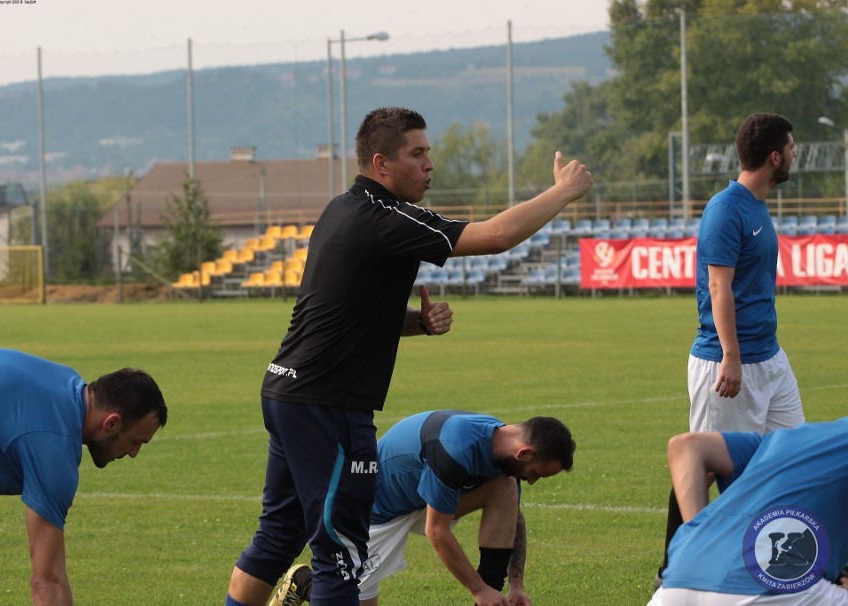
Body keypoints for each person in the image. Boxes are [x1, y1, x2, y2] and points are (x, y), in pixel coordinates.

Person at [225, 107, 593, 606]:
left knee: (276, 540)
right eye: (417, 153)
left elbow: (343, 310)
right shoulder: (386, 218)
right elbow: (497, 236)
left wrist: (416, 323)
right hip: (328, 404)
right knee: (341, 556)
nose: (429, 164)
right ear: (381, 163)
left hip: (286, 390)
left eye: (428, 152)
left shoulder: (341, 209)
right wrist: (563, 193)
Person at [657, 113, 805, 585]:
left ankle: (804, 563)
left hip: (771, 360)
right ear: (775, 156)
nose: (795, 155)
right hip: (726, 363)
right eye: (792, 148)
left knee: (795, 457)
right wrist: (732, 356)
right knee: (699, 468)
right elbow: (718, 289)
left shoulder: (757, 206)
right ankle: (673, 571)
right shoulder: (727, 208)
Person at [270, 410, 576, 606]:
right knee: (348, 600)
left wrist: (516, 586)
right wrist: (478, 590)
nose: (532, 481)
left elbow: (512, 517)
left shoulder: (504, 454)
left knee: (504, 488)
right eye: (535, 473)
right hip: (375, 510)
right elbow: (436, 530)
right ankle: (303, 580)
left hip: (425, 498)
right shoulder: (455, 449)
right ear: (524, 452)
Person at [0, 348, 168, 605]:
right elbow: (48, 582)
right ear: (111, 423)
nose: (134, 453)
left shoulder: (67, 385)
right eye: (135, 442)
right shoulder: (55, 449)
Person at [648, 417, 847, 605]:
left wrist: (696, 533)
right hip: (769, 589)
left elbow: (687, 446)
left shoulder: (789, 437)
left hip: (680, 579)